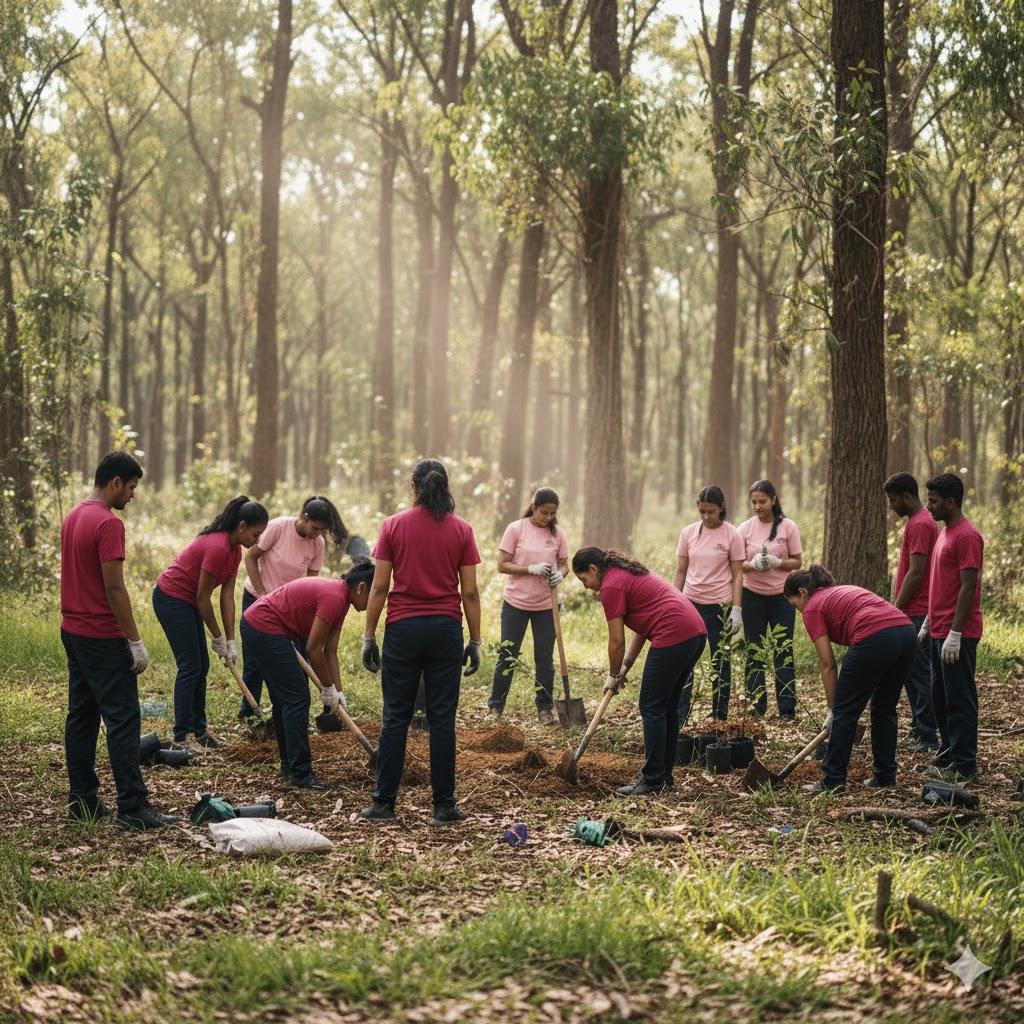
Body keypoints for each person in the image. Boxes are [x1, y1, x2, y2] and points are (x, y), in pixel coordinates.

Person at [359, 459, 482, 825]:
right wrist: (476, 641)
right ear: (446, 486)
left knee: (395, 717)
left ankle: (383, 805)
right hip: (445, 629)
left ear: (413, 487)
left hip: (403, 630)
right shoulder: (462, 529)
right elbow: (470, 593)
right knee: (442, 720)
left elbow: (379, 586)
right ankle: (444, 807)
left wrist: (368, 636)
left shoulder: (393, 525)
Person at [60, 451, 178, 830]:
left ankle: (82, 801)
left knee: (81, 716)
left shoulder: (73, 516)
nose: (132, 495)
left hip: (73, 630)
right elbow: (114, 587)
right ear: (115, 483)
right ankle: (132, 805)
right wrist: (134, 639)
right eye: (130, 487)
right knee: (124, 719)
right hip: (100, 634)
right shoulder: (108, 524)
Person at [573, 547, 707, 796]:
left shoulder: (611, 586)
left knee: (652, 706)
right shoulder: (624, 574)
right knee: (666, 708)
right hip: (695, 633)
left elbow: (616, 640)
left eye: (584, 579)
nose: (585, 586)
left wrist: (613, 675)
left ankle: (653, 779)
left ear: (593, 569)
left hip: (674, 633)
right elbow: (643, 626)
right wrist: (623, 668)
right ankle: (664, 777)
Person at [241, 558, 374, 788]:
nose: (376, 604)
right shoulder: (334, 597)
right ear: (361, 588)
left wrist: (337, 691)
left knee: (286, 700)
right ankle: (301, 773)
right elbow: (313, 649)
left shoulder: (341, 599)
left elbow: (330, 651)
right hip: (264, 627)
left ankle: (289, 765)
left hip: (261, 627)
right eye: (376, 596)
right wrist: (327, 688)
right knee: (297, 698)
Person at [784, 566, 917, 793]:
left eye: (795, 604)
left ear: (803, 592)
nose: (798, 611)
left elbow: (828, 664)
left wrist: (831, 709)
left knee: (844, 712)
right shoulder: (841, 591)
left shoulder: (813, 607)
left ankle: (833, 780)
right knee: (885, 709)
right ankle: (885, 776)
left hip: (874, 637)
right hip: (906, 633)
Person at [153, 496, 268, 748]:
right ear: (241, 526)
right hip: (171, 598)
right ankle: (180, 737)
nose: (257, 541)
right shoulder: (216, 547)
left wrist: (230, 639)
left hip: (187, 601)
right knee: (190, 666)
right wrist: (216, 636)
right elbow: (203, 597)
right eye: (255, 534)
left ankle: (200, 732)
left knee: (201, 665)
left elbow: (227, 597)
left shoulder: (235, 550)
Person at [237, 495, 349, 723]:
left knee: (301, 662)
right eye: (315, 527)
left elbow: (311, 583)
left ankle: (295, 716)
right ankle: (249, 714)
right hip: (259, 601)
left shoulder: (318, 544)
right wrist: (262, 595)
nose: (317, 533)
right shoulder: (278, 528)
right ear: (304, 517)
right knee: (255, 663)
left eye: (322, 530)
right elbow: (251, 558)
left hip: (291, 610)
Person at [919, 473, 984, 783]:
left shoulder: (967, 535)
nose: (928, 505)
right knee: (940, 697)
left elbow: (968, 587)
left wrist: (956, 634)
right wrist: (929, 622)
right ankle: (949, 752)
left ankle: (964, 762)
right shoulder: (944, 533)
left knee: (959, 698)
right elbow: (942, 584)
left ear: (950, 502)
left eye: (933, 500)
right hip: (938, 629)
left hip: (959, 632)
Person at [487, 487, 569, 726]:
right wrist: (529, 569)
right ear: (534, 506)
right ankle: (496, 707)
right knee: (508, 656)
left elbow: (564, 563)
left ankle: (545, 710)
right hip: (515, 604)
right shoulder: (516, 529)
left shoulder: (557, 534)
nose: (548, 518)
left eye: (552, 514)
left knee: (544, 658)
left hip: (546, 606)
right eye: (544, 512)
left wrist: (560, 575)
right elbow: (502, 565)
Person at [672, 485, 744, 723]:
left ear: (721, 508)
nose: (706, 517)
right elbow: (681, 570)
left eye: (711, 511)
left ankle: (719, 714)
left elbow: (737, 574)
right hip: (690, 604)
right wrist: (675, 600)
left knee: (719, 660)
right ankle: (681, 713)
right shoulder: (688, 533)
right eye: (702, 511)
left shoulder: (732, 534)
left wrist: (736, 609)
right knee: (685, 660)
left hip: (719, 607)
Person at [883, 472, 939, 752]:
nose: (891, 506)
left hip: (916, 611)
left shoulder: (919, 525)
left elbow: (916, 573)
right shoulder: (918, 523)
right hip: (911, 611)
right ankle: (919, 728)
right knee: (910, 673)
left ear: (908, 496)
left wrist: (895, 610)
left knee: (918, 674)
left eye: (893, 500)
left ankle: (927, 735)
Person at [738, 479, 802, 718]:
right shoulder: (744, 528)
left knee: (782, 650)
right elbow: (736, 565)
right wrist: (751, 565)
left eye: (762, 501)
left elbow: (797, 561)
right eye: (753, 502)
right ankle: (757, 707)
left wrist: (778, 563)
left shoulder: (788, 527)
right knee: (754, 650)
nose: (757, 507)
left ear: (773, 500)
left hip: (781, 599)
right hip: (752, 596)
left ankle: (787, 709)